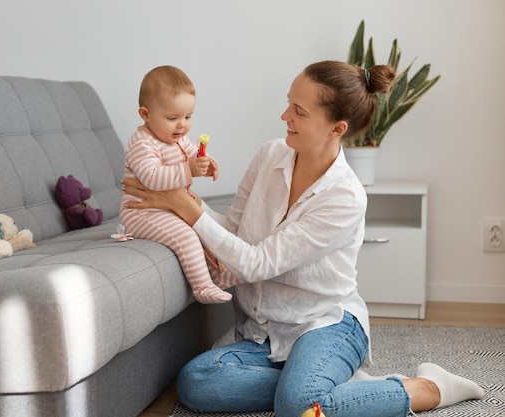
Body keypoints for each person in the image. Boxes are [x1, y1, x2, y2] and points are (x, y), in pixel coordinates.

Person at [121, 61, 485, 417]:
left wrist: (186, 207)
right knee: (197, 382)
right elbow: (232, 233)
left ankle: (427, 387)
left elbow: (255, 263)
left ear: (336, 128)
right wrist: (185, 202)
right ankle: (321, 385)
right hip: (263, 333)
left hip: (325, 324)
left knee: (297, 407)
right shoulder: (269, 155)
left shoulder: (345, 197)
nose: (284, 117)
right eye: (288, 103)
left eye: (299, 111)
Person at [120, 65, 236, 304]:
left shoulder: (177, 138)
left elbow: (193, 152)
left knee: (206, 226)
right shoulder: (142, 143)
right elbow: (151, 176)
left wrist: (204, 161)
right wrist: (188, 170)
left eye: (187, 117)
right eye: (172, 118)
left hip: (168, 207)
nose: (182, 125)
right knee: (186, 235)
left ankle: (219, 273)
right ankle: (202, 287)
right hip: (142, 212)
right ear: (145, 113)